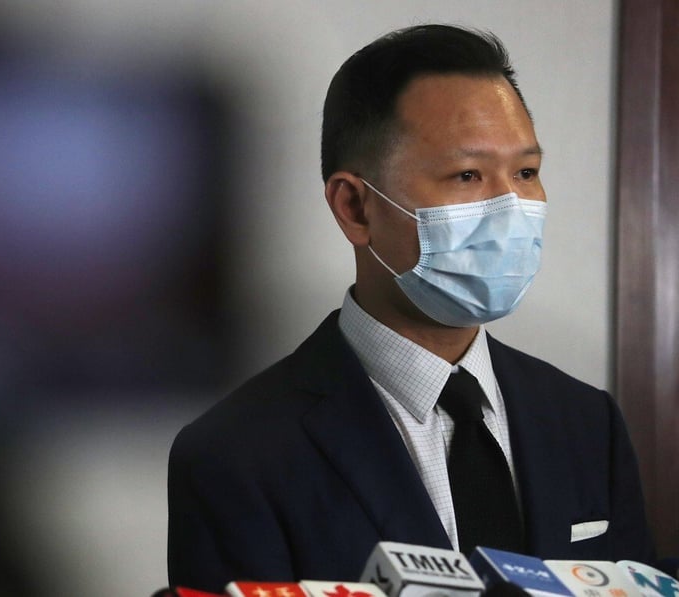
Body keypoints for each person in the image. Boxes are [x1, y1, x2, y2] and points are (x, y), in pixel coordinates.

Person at [167, 24, 655, 592]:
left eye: (525, 172)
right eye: (467, 175)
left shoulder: (587, 423)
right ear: (355, 206)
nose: (511, 207)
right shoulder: (237, 455)